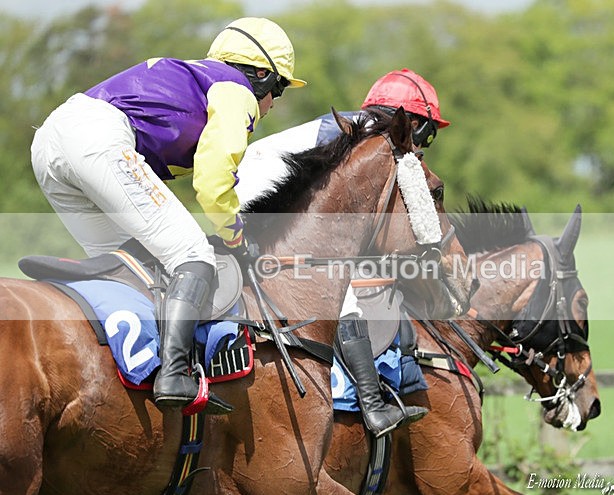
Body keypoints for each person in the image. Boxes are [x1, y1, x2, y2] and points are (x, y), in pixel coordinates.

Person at [30, 17, 306, 415]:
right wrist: (234, 235)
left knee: (128, 268)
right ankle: (175, 374)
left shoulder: (201, 79)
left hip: (50, 144)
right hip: (96, 139)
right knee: (193, 254)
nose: (274, 102)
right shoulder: (238, 92)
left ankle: (126, 371)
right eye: (277, 88)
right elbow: (213, 184)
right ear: (261, 75)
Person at [235, 69, 450, 437]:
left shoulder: (364, 129)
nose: (424, 144)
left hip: (259, 179)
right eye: (427, 132)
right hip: (261, 186)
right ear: (410, 121)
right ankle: (372, 405)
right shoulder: (373, 139)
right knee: (342, 294)